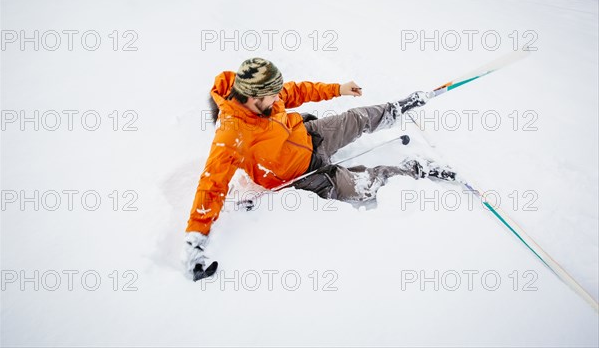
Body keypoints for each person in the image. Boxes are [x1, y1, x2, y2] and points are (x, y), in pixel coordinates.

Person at [183, 58, 457, 280]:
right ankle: (415, 169)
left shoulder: (263, 94)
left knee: (355, 118)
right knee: (363, 187)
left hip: (309, 136)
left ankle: (397, 109)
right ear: (255, 97)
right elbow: (211, 184)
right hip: (303, 177)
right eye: (273, 95)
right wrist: (196, 241)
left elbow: (296, 91)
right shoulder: (232, 135)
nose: (279, 96)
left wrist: (338, 89)